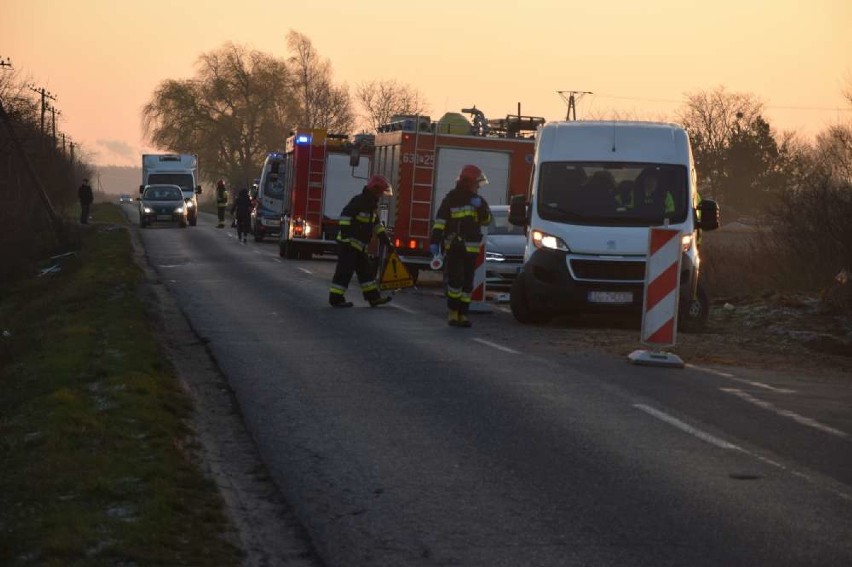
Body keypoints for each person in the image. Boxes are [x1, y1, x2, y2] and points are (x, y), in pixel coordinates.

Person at [430, 164, 492, 328]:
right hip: (455, 247)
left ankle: (463, 314)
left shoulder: (479, 202)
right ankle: (452, 313)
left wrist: (481, 209)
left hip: (471, 249)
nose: (478, 186)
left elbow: (487, 221)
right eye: (476, 183)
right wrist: (435, 242)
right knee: (455, 281)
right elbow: (440, 222)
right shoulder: (451, 199)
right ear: (468, 182)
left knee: (467, 283)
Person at [328, 174, 395, 308]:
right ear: (375, 189)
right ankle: (336, 299)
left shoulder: (371, 205)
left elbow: (376, 225)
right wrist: (346, 236)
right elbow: (345, 217)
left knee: (366, 273)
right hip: (349, 244)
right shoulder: (359, 201)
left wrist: (386, 242)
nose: (381, 195)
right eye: (381, 191)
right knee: (344, 272)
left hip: (359, 246)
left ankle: (374, 298)